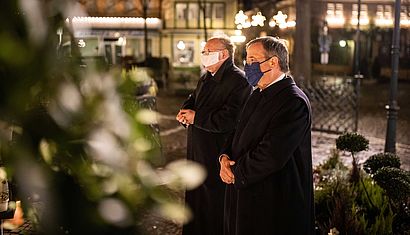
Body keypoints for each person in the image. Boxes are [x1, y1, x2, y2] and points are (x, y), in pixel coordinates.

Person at [219, 36, 314, 235]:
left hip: (272, 200)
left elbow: (272, 154)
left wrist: (236, 173)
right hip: (245, 191)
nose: (247, 65)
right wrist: (224, 158)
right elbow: (237, 131)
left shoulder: (293, 101)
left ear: (273, 62)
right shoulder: (258, 92)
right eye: (247, 60)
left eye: (253, 60)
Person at [176, 36, 251, 235]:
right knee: (195, 199)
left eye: (208, 52)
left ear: (224, 54)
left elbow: (230, 119)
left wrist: (197, 117)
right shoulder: (206, 76)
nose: (204, 55)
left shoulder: (239, 81)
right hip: (197, 149)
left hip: (216, 151)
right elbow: (194, 99)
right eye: (204, 52)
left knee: (213, 203)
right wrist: (186, 111)